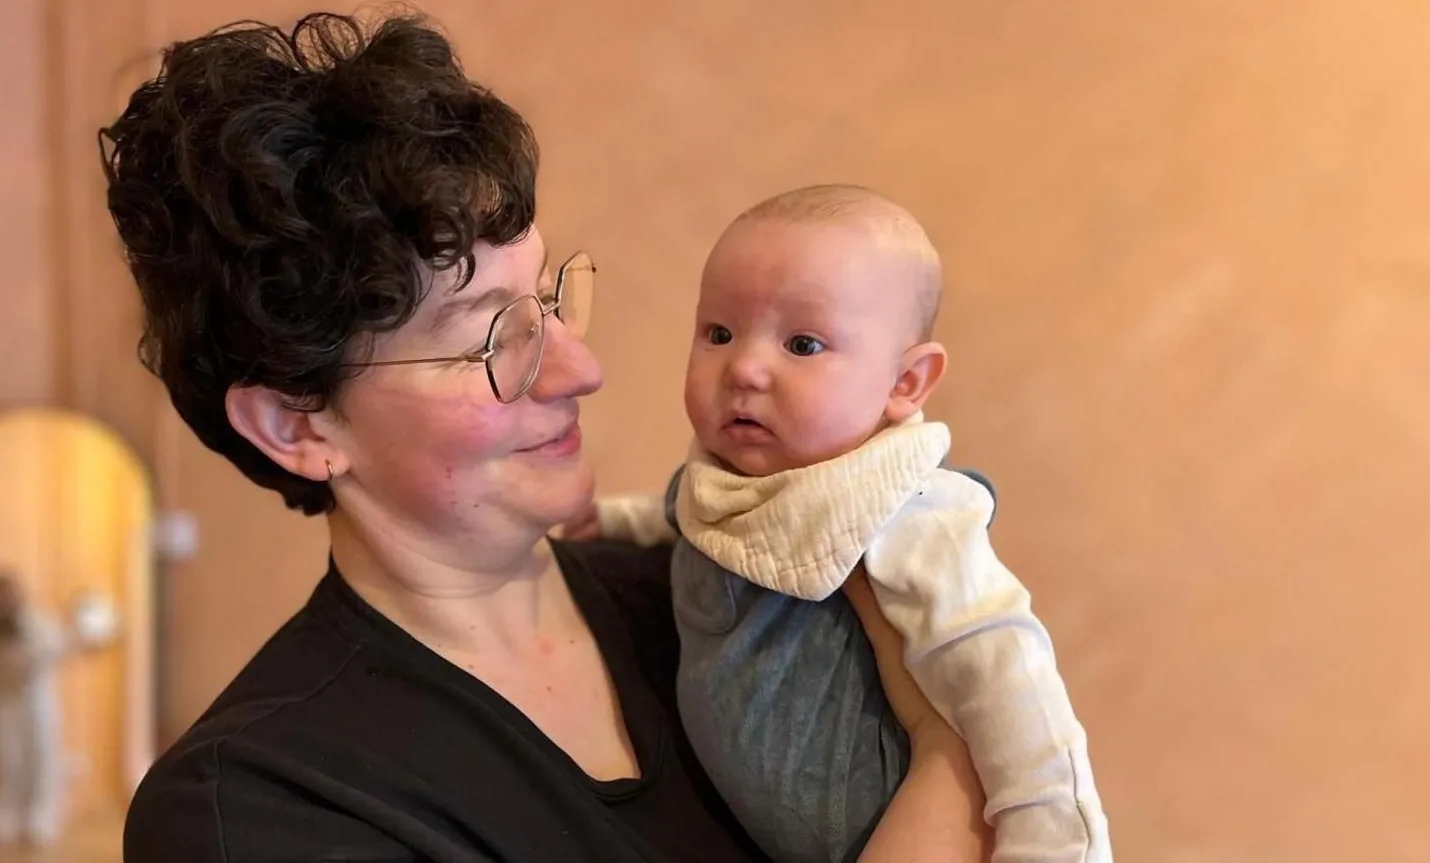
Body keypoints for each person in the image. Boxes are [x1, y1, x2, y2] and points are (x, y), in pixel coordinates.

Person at [100, 11, 988, 863]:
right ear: (296, 423)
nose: (579, 370)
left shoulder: (723, 595)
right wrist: (956, 755)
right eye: (494, 338)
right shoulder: (256, 806)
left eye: (549, 300)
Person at [583, 185, 1111, 862]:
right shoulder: (721, 480)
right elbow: (680, 516)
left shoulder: (908, 513)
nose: (745, 367)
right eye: (719, 333)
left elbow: (1014, 693)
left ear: (905, 384)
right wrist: (596, 521)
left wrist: (1050, 845)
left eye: (803, 343)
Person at [0, 570, 68, 847]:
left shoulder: (37, 621)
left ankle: (39, 823)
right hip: (5, 705)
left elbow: (57, 645)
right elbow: (12, 664)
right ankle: (3, 823)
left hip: (37, 704)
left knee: (42, 761)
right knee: (6, 764)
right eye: (0, 596)